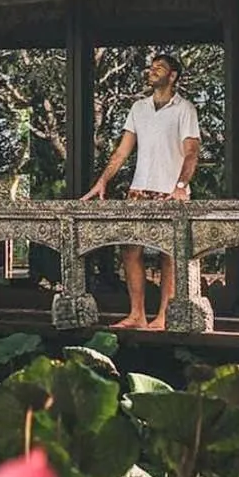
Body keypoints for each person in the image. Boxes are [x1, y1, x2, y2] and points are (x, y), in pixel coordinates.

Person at [81, 52, 200, 330]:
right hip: (138, 189)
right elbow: (122, 151)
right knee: (130, 250)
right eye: (151, 66)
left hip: (169, 191)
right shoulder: (138, 108)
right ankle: (137, 315)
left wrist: (180, 187)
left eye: (160, 67)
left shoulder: (185, 109)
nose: (152, 70)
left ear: (173, 76)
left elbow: (192, 152)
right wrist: (102, 181)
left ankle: (164, 316)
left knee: (169, 254)